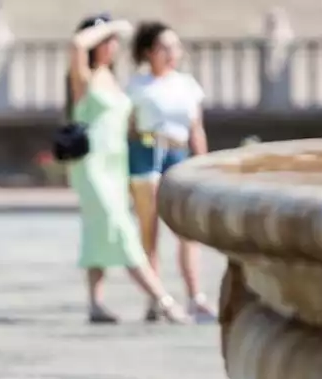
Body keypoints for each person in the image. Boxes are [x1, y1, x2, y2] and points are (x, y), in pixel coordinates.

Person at [66, 14, 187, 325]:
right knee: (121, 229)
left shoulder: (113, 78)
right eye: (106, 42)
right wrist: (111, 26)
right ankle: (164, 299)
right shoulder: (84, 76)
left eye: (114, 42)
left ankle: (95, 302)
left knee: (98, 231)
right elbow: (77, 44)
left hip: (116, 164)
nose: (112, 46)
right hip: (91, 164)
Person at [126, 21, 217, 324]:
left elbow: (196, 128)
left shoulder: (186, 84)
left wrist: (203, 164)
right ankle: (156, 297)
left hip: (178, 153)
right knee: (149, 229)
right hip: (147, 152)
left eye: (175, 47)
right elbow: (127, 127)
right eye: (165, 47)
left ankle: (196, 296)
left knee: (187, 231)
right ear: (149, 51)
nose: (172, 53)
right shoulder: (137, 86)